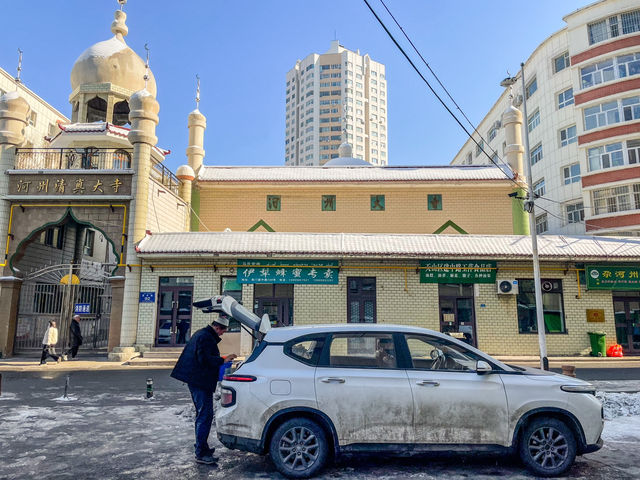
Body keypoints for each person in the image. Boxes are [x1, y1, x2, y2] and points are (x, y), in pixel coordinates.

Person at [170, 315, 238, 465]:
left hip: (196, 380)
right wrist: (223, 360)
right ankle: (201, 453)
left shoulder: (203, 334)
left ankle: (203, 448)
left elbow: (203, 357)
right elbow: (204, 359)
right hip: (199, 381)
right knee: (205, 415)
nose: (222, 334)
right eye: (223, 331)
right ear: (217, 328)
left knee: (203, 414)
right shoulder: (206, 337)